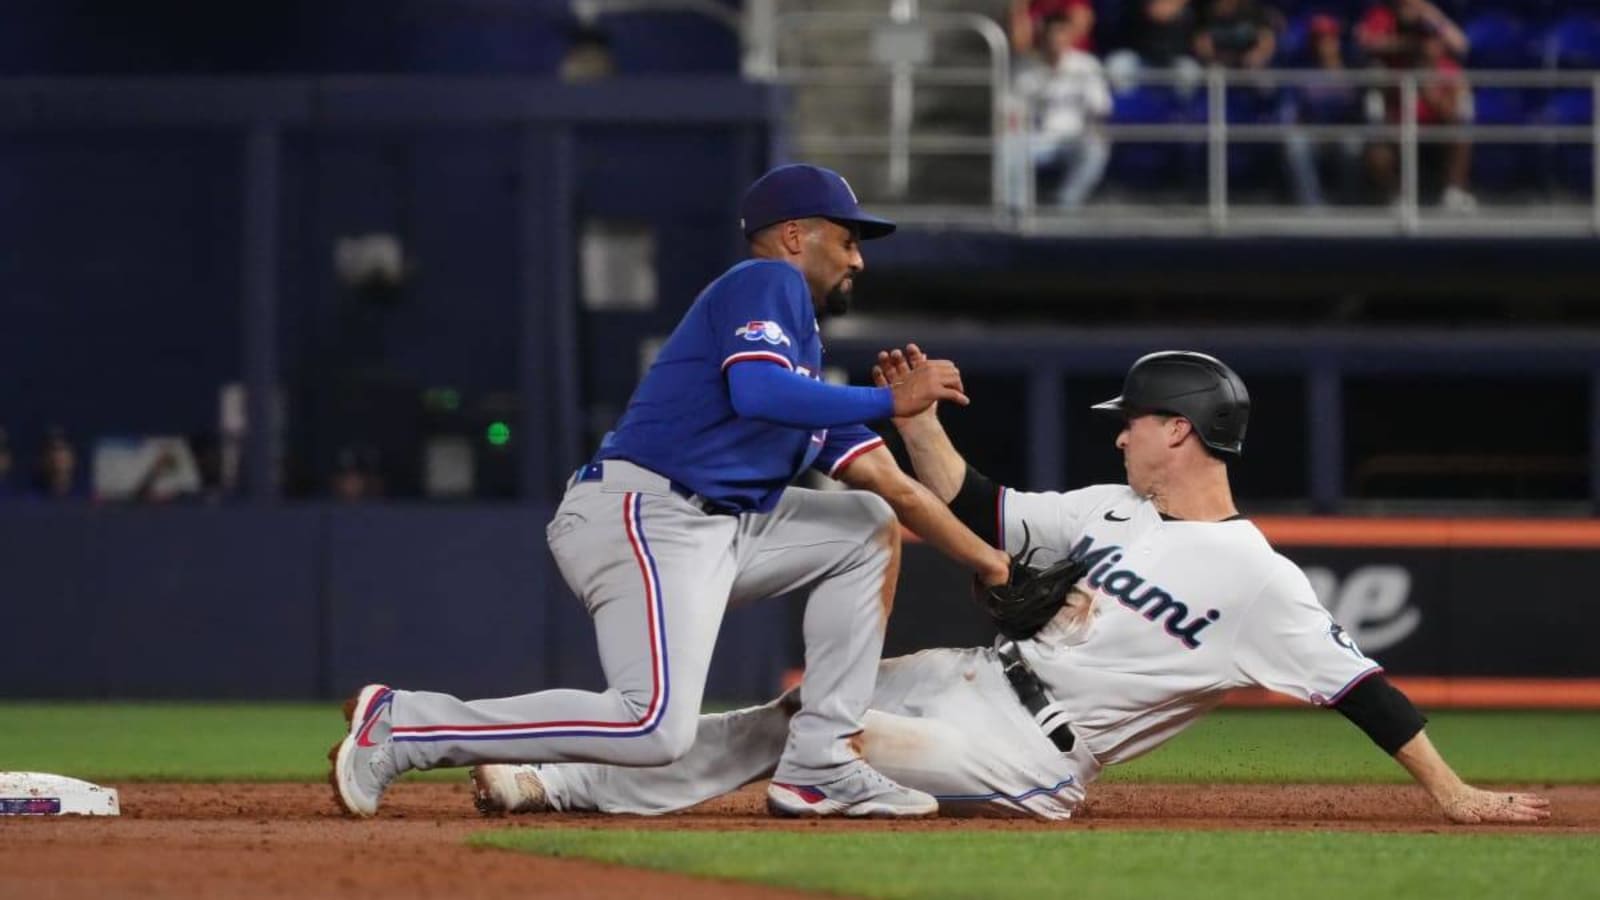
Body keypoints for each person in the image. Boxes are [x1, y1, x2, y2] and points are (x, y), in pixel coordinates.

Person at [468, 349, 1551, 826]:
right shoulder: (1111, 509)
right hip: (968, 676)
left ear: (1179, 431)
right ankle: (552, 784)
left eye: (1133, 421)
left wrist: (1453, 793)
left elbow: (1363, 690)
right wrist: (915, 420)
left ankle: (575, 784)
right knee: (795, 711)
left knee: (826, 738)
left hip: (1026, 752)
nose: (1120, 434)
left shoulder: (1256, 577)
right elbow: (976, 504)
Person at [328, 164, 1013, 820]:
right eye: (847, 238)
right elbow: (756, 390)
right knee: (652, 725)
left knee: (865, 526)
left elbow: (895, 489)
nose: (858, 259)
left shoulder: (802, 369)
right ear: (794, 235)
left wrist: (991, 565)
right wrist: (890, 399)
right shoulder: (766, 280)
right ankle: (405, 724)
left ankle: (822, 763)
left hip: (715, 526)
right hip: (646, 511)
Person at [1356, 0, 1476, 211]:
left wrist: (1430, 94)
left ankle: (1454, 192)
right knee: (1378, 151)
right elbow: (1366, 42)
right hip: (1401, 131)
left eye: (1429, 38)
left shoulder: (1449, 70)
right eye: (1420, 38)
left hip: (1436, 131)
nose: (1425, 44)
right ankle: (1397, 197)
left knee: (1461, 134)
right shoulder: (1396, 70)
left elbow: (1452, 115)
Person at [1007, 13, 1113, 210]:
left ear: (1071, 37)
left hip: (1074, 137)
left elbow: (1101, 108)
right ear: (1043, 37)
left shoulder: (1087, 65)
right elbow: (1011, 110)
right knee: (1009, 146)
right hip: (1037, 137)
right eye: (1052, 35)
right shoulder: (1024, 68)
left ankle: (1066, 204)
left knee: (1096, 148)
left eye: (1062, 35)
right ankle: (1016, 209)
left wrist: (1095, 130)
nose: (1057, 41)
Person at [1282, 15, 1367, 206]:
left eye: (1329, 38)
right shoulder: (1303, 73)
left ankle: (1350, 201)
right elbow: (1292, 112)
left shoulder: (1353, 70)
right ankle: (1311, 204)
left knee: (1352, 143)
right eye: (1319, 39)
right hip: (1314, 133)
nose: (1324, 44)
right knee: (1296, 143)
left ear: (1337, 41)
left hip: (1343, 132)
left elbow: (1360, 113)